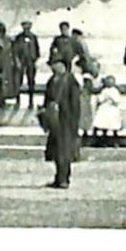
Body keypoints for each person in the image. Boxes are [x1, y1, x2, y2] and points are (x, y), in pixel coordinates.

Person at [40, 58, 81, 189]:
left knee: (64, 151)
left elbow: (75, 103)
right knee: (57, 151)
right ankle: (58, 177)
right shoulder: (52, 81)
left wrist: (73, 121)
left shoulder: (70, 81)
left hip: (66, 120)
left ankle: (64, 178)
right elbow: (47, 99)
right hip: (55, 120)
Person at [13, 19, 42, 107]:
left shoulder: (33, 37)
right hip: (21, 62)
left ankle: (31, 101)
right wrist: (17, 61)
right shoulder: (18, 38)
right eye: (24, 26)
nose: (26, 28)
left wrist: (35, 59)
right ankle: (17, 101)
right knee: (18, 81)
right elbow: (14, 51)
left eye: (28, 26)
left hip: (30, 61)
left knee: (31, 81)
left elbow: (37, 50)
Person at [90, 77, 124, 146]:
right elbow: (100, 99)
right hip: (104, 109)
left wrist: (111, 98)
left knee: (114, 126)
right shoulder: (104, 90)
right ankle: (103, 141)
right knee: (103, 125)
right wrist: (104, 98)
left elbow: (117, 101)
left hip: (112, 109)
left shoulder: (115, 91)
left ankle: (115, 142)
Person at [0, 24, 20, 108]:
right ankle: (1, 98)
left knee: (8, 80)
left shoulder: (8, 40)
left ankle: (6, 97)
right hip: (2, 62)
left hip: (6, 62)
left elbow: (13, 51)